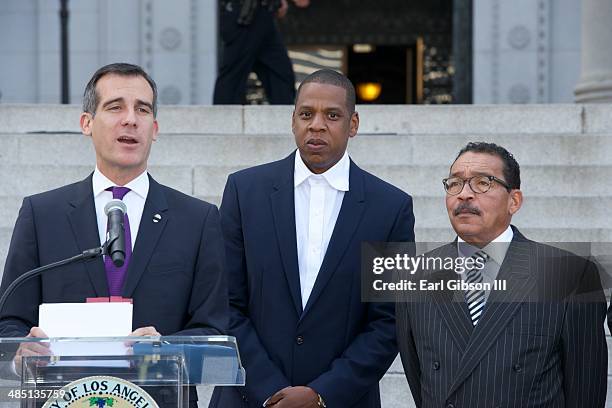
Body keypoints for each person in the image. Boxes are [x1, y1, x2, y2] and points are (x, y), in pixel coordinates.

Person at [0, 63, 228, 407]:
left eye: (143, 109)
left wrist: (164, 348)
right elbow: (9, 323)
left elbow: (212, 332)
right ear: (86, 123)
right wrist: (22, 349)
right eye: (115, 107)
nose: (131, 119)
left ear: (155, 128)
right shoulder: (41, 214)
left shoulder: (197, 220)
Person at [209, 69, 415, 408]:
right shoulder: (244, 192)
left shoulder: (391, 208)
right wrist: (269, 391)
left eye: (332, 115)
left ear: (353, 124)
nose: (316, 125)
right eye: (306, 114)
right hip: (247, 397)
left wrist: (322, 394)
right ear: (293, 121)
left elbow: (389, 320)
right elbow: (224, 304)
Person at [396, 142, 607, 407]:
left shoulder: (571, 276)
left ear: (514, 201)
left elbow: (585, 392)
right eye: (454, 184)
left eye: (483, 183)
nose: (464, 195)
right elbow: (420, 381)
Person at [213, 0, 310, 105]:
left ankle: (284, 119)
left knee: (281, 79)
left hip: (262, 14)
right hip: (243, 15)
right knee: (232, 83)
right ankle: (224, 119)